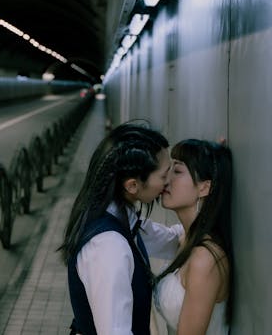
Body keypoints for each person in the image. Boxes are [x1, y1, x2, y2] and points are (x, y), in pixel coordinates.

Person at [59, 122, 181, 335]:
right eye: (164, 175)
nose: (169, 181)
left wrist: (206, 172)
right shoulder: (109, 246)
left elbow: (171, 240)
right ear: (132, 185)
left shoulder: (120, 216)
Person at [154, 139, 234, 335]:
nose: (166, 178)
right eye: (169, 168)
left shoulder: (205, 258)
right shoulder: (185, 238)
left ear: (204, 188)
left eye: (178, 171)